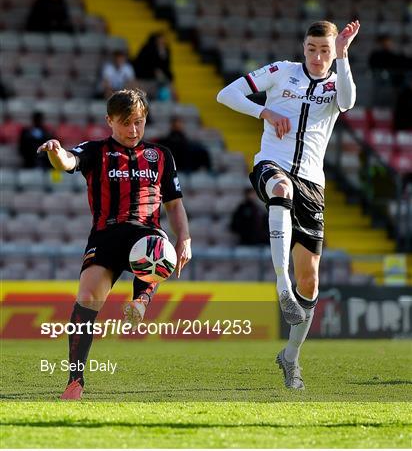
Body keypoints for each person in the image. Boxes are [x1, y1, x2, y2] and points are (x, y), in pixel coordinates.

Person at [217, 20, 360, 390]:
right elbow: (226, 95)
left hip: (313, 183)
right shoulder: (282, 72)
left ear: (334, 51)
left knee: (310, 280)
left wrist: (343, 58)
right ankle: (281, 283)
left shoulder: (336, 82)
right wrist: (265, 112)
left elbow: (347, 102)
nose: (316, 56)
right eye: (312, 48)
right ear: (303, 46)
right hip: (272, 164)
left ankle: (291, 357)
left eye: (324, 50)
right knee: (280, 188)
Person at [37, 89, 192, 400]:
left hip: (145, 232)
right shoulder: (96, 151)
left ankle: (141, 301)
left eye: (139, 122)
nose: (133, 130)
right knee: (86, 297)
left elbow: (174, 205)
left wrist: (185, 238)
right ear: (109, 121)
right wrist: (56, 152)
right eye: (126, 123)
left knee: (159, 249)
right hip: (106, 235)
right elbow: (69, 162)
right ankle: (74, 381)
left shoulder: (161, 156)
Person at [132, 32, 175, 100]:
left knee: (168, 92)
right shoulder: (147, 49)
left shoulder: (165, 51)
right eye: (160, 40)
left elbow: (166, 68)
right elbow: (143, 63)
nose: (162, 42)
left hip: (157, 81)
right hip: (144, 78)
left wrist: (162, 54)